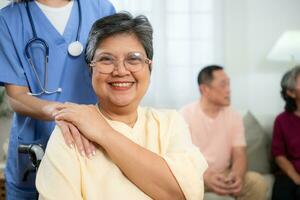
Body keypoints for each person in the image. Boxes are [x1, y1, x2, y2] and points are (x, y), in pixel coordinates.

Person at [35, 12, 208, 200]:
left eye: (133, 59)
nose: (121, 71)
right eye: (106, 59)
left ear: (150, 67)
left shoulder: (170, 123)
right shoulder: (70, 133)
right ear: (90, 69)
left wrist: (103, 133)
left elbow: (183, 194)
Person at [0, 0, 115, 199]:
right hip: (35, 144)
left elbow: (117, 74)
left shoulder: (101, 9)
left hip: (92, 141)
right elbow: (16, 97)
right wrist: (60, 112)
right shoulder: (9, 20)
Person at [180, 65, 267, 200]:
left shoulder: (234, 115)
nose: (229, 90)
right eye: (223, 84)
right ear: (204, 89)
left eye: (229, 84)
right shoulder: (185, 115)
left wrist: (237, 175)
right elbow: (181, 158)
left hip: (224, 174)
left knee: (257, 183)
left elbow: (239, 153)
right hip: (195, 175)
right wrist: (205, 176)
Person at [271, 66, 300, 200]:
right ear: (291, 92)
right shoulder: (281, 120)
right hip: (290, 174)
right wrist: (296, 177)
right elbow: (279, 155)